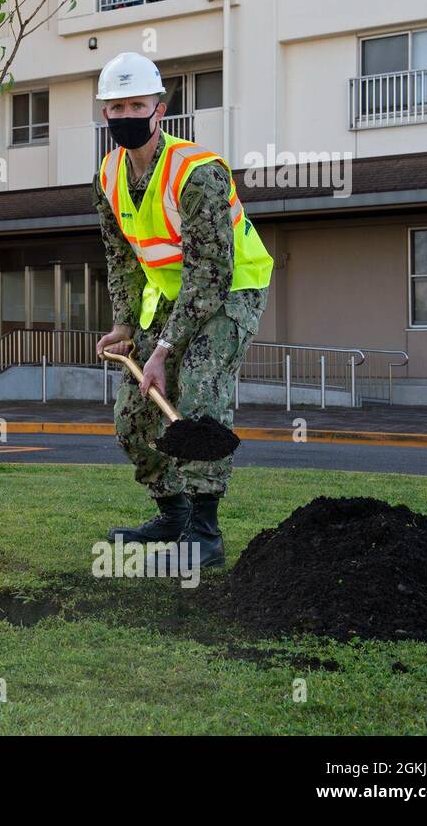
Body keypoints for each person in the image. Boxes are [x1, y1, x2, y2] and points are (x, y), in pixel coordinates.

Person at [91, 52, 274, 567]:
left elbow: (211, 271)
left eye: (137, 104)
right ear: (105, 113)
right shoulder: (108, 176)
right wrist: (126, 323)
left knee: (197, 388)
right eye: (116, 105)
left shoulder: (198, 173)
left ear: (159, 109)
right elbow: (121, 258)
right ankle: (171, 514)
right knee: (132, 414)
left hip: (230, 290)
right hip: (171, 298)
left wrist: (165, 350)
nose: (126, 114)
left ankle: (206, 532)